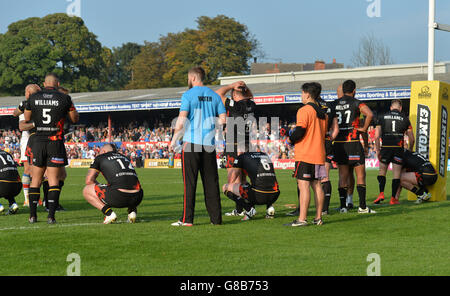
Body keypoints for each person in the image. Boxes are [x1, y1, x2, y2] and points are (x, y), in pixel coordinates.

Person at [170, 66, 226, 226]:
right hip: (209, 144)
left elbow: (181, 121)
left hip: (191, 142)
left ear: (193, 78)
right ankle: (216, 219)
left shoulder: (188, 95)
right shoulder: (214, 96)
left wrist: (174, 140)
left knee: (190, 183)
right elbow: (223, 120)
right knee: (211, 183)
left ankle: (187, 219)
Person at [24, 73, 79, 224]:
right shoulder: (64, 98)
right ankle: (51, 216)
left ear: (44, 83)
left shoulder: (33, 97)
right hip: (55, 141)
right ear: (58, 83)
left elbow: (27, 118)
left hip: (38, 141)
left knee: (35, 178)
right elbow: (75, 119)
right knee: (54, 178)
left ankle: (33, 216)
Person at [285, 82, 328, 226]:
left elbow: (300, 131)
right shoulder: (323, 113)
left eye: (302, 93)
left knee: (303, 186)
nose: (301, 96)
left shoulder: (304, 110)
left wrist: (290, 139)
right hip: (319, 153)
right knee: (317, 185)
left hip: (305, 153)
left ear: (307, 94)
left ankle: (302, 219)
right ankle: (318, 218)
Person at [332, 80, 375, 214]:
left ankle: (343, 206)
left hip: (339, 144)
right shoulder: (357, 103)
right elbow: (370, 114)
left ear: (343, 90)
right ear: (354, 90)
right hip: (354, 142)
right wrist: (363, 128)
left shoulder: (333, 104)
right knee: (360, 175)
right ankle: (362, 207)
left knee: (343, 176)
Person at [216, 81, 256, 217]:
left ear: (234, 94)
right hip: (246, 144)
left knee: (231, 182)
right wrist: (244, 87)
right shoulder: (251, 104)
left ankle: (248, 207)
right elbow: (249, 95)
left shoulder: (236, 106)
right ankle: (240, 209)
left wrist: (232, 85)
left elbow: (218, 94)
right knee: (243, 180)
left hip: (234, 145)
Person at [83, 144, 143, 224]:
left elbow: (89, 180)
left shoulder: (101, 157)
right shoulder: (124, 157)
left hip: (118, 197)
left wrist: (99, 186)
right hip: (138, 197)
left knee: (87, 190)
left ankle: (109, 214)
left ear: (103, 151)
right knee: (129, 183)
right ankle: (132, 211)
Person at [374, 99, 415, 205]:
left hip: (386, 147)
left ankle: (381, 193)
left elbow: (377, 136)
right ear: (400, 108)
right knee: (396, 174)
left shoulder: (382, 117)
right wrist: (410, 149)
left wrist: (378, 149)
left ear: (391, 107)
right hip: (398, 148)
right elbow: (412, 138)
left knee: (382, 171)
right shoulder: (405, 119)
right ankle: (393, 198)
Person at [222, 151, 280, 221]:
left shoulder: (242, 156)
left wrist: (234, 166)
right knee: (261, 183)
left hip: (258, 196)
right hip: (275, 195)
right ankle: (269, 207)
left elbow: (231, 180)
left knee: (225, 187)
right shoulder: (264, 154)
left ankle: (249, 209)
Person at [12, 84, 41, 207]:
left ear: (28, 93)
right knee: (28, 170)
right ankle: (27, 199)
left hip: (39, 139)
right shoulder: (24, 104)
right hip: (27, 139)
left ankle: (37, 198)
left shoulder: (38, 103)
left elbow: (14, 113)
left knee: (39, 171)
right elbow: (19, 121)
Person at [0, 149, 22, 215]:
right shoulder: (6, 153)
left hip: (5, 186)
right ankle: (13, 204)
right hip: (17, 186)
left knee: (5, 181)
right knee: (8, 180)